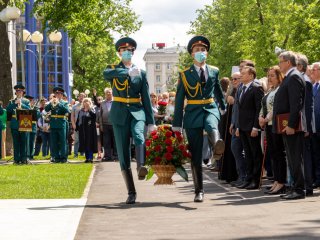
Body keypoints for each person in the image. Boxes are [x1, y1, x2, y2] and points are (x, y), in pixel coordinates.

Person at [172, 35, 227, 202]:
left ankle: (217, 146)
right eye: (197, 50)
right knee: (195, 154)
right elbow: (180, 99)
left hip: (210, 107)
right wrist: (176, 125)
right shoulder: (184, 74)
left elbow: (217, 89)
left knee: (212, 125)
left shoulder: (214, 70)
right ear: (192, 54)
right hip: (193, 112)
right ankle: (199, 190)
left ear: (207, 53)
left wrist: (223, 106)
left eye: (203, 50)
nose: (201, 52)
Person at [103, 37, 155, 204]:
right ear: (119, 52)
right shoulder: (113, 69)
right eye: (124, 50)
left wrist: (151, 121)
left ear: (133, 52)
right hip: (119, 113)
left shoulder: (141, 72)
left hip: (136, 111)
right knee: (123, 154)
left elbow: (146, 98)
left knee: (139, 135)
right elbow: (106, 74)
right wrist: (126, 72)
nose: (127, 52)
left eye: (130, 50)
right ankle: (131, 192)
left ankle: (141, 166)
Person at [273, 51, 306, 200]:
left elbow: (295, 104)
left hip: (291, 125)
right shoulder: (289, 77)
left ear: (287, 62)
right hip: (285, 124)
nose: (279, 65)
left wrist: (292, 124)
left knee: (294, 158)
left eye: (280, 62)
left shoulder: (293, 77)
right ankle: (294, 187)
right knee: (291, 158)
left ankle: (299, 189)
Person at [259, 66, 286, 195]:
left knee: (279, 153)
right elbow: (263, 105)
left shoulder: (281, 89)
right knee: (273, 153)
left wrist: (267, 117)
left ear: (279, 76)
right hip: (268, 125)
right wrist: (260, 116)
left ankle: (281, 182)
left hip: (276, 123)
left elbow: (277, 106)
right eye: (268, 75)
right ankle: (276, 180)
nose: (269, 78)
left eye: (272, 75)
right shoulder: (271, 90)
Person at [236, 66, 264, 190]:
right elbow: (240, 110)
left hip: (252, 127)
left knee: (255, 153)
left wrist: (256, 127)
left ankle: (256, 180)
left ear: (251, 76)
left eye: (243, 73)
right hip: (242, 127)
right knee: (247, 154)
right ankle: (248, 179)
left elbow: (258, 109)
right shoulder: (242, 88)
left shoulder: (256, 88)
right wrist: (238, 126)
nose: (241, 75)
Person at [45, 87, 70, 163]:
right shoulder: (52, 102)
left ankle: (63, 157)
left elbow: (67, 111)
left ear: (62, 95)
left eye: (59, 94)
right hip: (53, 124)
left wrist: (59, 103)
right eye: (56, 94)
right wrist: (51, 103)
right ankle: (56, 157)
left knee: (63, 141)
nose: (58, 95)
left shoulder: (64, 102)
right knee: (54, 142)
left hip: (61, 123)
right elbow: (46, 109)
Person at [6, 84, 30, 164]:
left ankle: (24, 159)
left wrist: (21, 104)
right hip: (15, 123)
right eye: (17, 91)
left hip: (24, 122)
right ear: (15, 93)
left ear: (23, 92)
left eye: (20, 91)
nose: (18, 92)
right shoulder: (12, 101)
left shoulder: (26, 101)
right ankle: (16, 159)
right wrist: (14, 103)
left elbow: (29, 110)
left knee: (24, 142)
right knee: (16, 142)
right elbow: (8, 110)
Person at [99, 88, 117, 162]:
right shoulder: (102, 103)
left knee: (115, 141)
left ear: (112, 93)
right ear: (105, 94)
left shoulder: (115, 101)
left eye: (109, 92)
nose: (108, 94)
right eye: (107, 93)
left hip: (114, 124)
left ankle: (116, 156)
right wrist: (101, 125)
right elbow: (100, 115)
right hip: (105, 124)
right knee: (106, 141)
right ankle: (107, 156)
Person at [76, 98, 97, 163]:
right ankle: (87, 158)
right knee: (84, 143)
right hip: (83, 129)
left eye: (87, 101)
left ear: (90, 102)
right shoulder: (81, 110)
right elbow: (78, 120)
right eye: (85, 101)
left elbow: (94, 116)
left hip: (90, 129)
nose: (86, 102)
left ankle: (90, 158)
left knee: (90, 143)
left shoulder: (92, 109)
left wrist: (89, 110)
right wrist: (77, 127)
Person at [24, 95, 40, 160]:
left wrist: (33, 110)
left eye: (30, 100)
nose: (30, 102)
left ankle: (31, 155)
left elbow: (38, 115)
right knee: (26, 141)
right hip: (25, 126)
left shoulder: (35, 108)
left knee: (32, 141)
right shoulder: (24, 107)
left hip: (33, 126)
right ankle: (26, 155)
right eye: (28, 101)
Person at [71, 92, 85, 158]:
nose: (81, 97)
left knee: (83, 139)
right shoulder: (74, 106)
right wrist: (73, 124)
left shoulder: (86, 106)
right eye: (80, 96)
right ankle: (75, 154)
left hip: (84, 125)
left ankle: (82, 153)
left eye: (83, 96)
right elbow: (72, 116)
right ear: (78, 97)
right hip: (77, 125)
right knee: (76, 140)